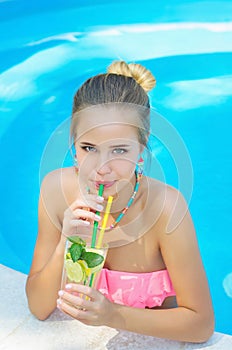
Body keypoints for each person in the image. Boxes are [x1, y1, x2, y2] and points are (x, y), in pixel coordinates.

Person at [26, 60, 214, 343]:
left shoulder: (165, 209)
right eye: (89, 148)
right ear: (73, 143)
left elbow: (200, 325)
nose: (102, 168)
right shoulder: (55, 189)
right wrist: (65, 240)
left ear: (142, 146)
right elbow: (39, 307)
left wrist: (113, 315)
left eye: (119, 150)